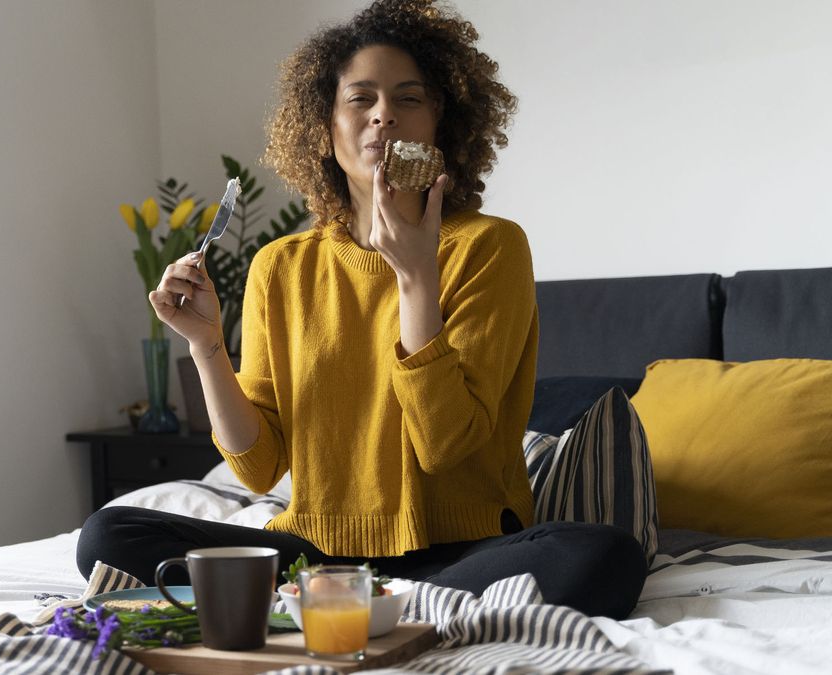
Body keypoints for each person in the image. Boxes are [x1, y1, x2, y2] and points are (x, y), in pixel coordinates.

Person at [78, 0, 647, 619]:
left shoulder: (490, 245)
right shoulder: (281, 265)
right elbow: (259, 468)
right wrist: (207, 348)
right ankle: (369, 605)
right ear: (324, 126)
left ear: (440, 122)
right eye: (361, 98)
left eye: (409, 98)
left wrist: (415, 276)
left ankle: (360, 607)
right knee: (109, 537)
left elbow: (445, 447)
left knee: (603, 556)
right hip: (316, 555)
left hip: (460, 550)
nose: (384, 115)